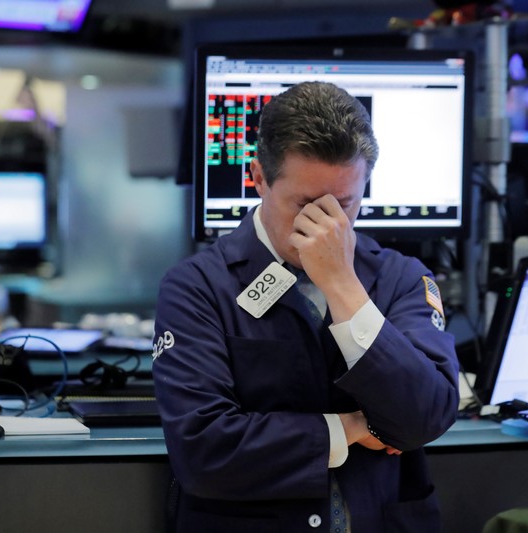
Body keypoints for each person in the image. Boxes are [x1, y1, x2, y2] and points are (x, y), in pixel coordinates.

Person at [152, 81, 459, 532]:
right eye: (305, 204)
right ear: (257, 177)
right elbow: (204, 450)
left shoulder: (402, 277)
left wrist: (343, 286)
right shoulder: (196, 286)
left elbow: (424, 416)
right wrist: (347, 429)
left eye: (345, 203)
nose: (326, 225)